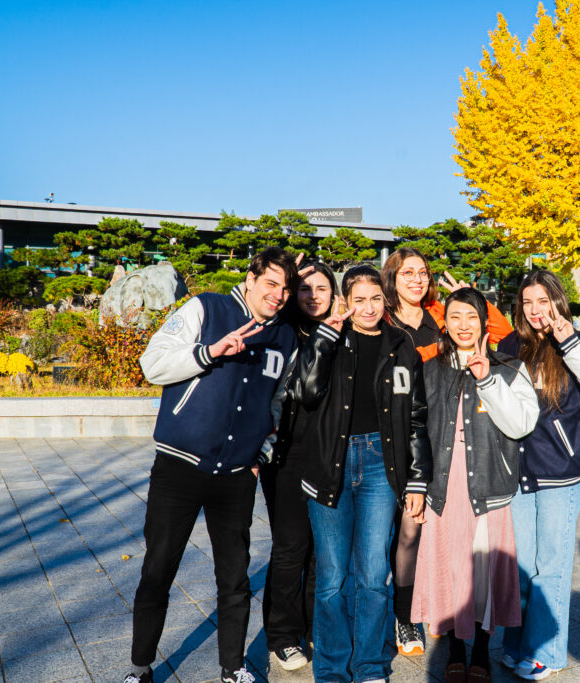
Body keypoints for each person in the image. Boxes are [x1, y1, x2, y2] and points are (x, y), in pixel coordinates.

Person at [124, 248, 300, 683]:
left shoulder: (286, 338)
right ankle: (140, 666)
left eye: (285, 288)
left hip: (237, 476)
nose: (278, 295)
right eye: (271, 283)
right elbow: (153, 364)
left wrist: (260, 455)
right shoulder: (207, 307)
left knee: (235, 578)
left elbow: (279, 402)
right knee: (158, 568)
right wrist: (208, 352)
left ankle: (233, 668)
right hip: (178, 469)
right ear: (250, 278)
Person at [299, 265, 431, 683]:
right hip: (330, 464)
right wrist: (324, 340)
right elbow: (305, 392)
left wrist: (416, 479)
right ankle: (333, 669)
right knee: (333, 579)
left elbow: (416, 417)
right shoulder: (329, 339)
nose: (368, 307)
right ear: (346, 302)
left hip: (381, 463)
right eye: (359, 299)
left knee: (374, 575)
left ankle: (370, 666)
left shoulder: (401, 347)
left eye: (376, 298)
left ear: (384, 300)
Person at [381, 247, 512, 656]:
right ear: (393, 278)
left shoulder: (439, 315)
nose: (417, 279)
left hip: (427, 440)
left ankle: (429, 610)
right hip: (388, 436)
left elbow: (498, 335)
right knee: (402, 534)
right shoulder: (378, 317)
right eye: (407, 273)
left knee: (423, 531)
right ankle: (406, 618)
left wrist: (478, 300)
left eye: (423, 272)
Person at [498, 269, 580, 681]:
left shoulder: (577, 345)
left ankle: (546, 654)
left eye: (543, 301)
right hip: (516, 473)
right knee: (521, 565)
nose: (536, 310)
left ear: (558, 301)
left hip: (559, 474)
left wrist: (568, 342)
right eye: (528, 302)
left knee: (549, 567)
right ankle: (516, 644)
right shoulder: (509, 345)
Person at [412, 288, 539, 681]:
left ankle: (482, 650)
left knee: (482, 573)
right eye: (455, 317)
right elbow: (416, 428)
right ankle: (453, 648)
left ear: (485, 321)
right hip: (443, 488)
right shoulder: (430, 369)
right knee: (449, 568)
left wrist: (486, 379)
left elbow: (521, 424)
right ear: (444, 323)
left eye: (471, 316)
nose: (463, 325)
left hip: (489, 487)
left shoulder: (509, 367)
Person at [260, 261, 338, 671]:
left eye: (321, 288)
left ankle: (313, 627)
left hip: (329, 454)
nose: (312, 295)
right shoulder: (282, 333)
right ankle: (283, 635)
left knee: (322, 550)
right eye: (304, 288)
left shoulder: (344, 332)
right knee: (291, 546)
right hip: (287, 455)